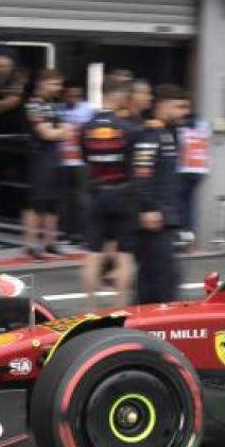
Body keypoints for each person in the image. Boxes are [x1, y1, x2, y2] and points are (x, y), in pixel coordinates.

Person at [81, 77, 137, 311]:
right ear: (116, 95)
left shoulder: (87, 127)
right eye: (124, 95)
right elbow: (132, 163)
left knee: (93, 253)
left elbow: (85, 157)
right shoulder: (127, 128)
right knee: (125, 255)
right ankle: (120, 307)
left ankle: (90, 307)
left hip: (96, 193)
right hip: (123, 194)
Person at [134, 84, 185, 305]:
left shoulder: (167, 133)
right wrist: (148, 207)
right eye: (179, 106)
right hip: (154, 217)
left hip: (166, 216)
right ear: (162, 105)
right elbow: (142, 172)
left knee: (161, 278)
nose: (183, 112)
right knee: (160, 279)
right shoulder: (151, 135)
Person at [21, 70, 68, 261]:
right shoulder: (34, 105)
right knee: (36, 201)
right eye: (54, 84)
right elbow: (47, 134)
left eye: (59, 84)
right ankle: (31, 245)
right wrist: (64, 130)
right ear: (41, 83)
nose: (58, 88)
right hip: (39, 156)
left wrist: (61, 130)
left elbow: (58, 131)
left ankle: (50, 242)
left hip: (55, 156)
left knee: (53, 202)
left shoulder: (54, 105)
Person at [57, 84, 95, 244]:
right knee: (64, 199)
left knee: (82, 199)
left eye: (76, 95)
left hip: (81, 160)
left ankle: (85, 233)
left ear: (82, 96)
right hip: (62, 159)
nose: (73, 98)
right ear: (64, 96)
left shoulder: (89, 110)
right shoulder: (58, 110)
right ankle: (67, 231)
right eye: (70, 95)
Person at [177, 108, 210, 245]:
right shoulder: (204, 127)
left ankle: (181, 232)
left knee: (180, 201)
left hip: (184, 169)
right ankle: (189, 232)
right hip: (200, 169)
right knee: (190, 202)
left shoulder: (181, 129)